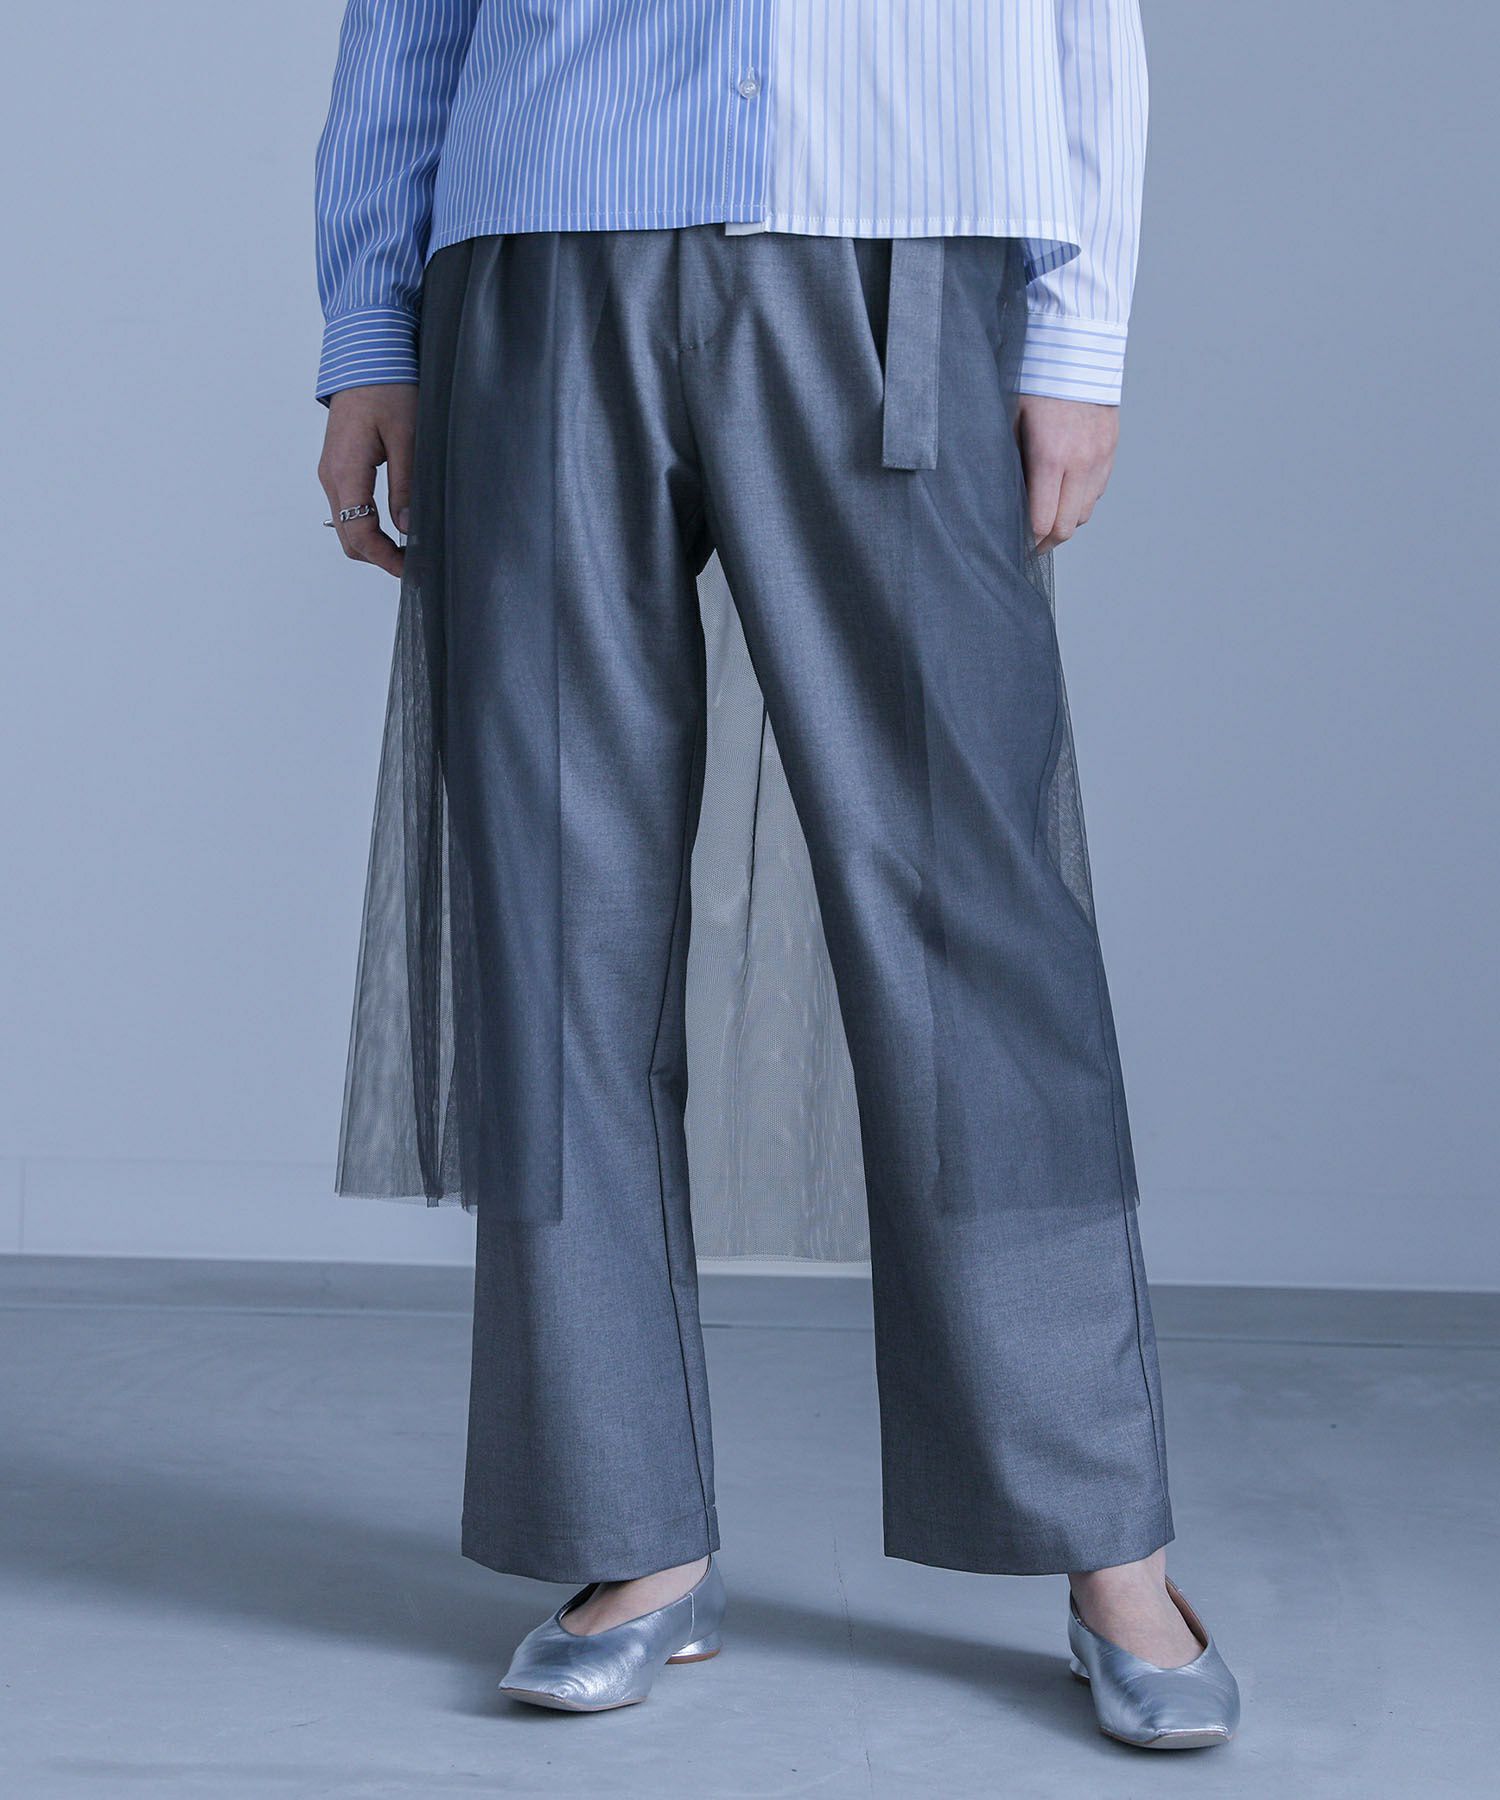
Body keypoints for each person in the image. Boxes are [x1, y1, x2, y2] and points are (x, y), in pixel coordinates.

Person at [314, 1, 1240, 1750]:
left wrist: (1080, 328)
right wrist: (371, 325)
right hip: (547, 246)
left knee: (974, 913)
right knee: (554, 909)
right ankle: (629, 1535)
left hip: (896, 242)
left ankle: (1107, 1539)